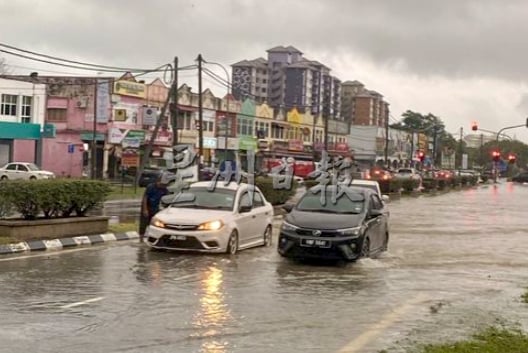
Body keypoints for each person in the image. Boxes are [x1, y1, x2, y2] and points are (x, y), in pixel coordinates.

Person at [139, 172, 170, 242]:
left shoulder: (165, 190)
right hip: (148, 206)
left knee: (155, 224)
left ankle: (153, 238)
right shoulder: (150, 187)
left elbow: (167, 200)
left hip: (156, 208)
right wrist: (145, 209)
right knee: (143, 223)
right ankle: (141, 239)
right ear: (158, 181)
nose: (162, 186)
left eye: (164, 185)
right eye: (161, 184)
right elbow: (145, 198)